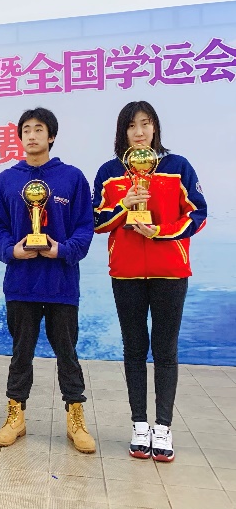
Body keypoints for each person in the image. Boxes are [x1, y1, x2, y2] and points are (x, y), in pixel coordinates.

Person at [93, 101, 207, 462]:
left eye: (145, 123)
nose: (139, 131)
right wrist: (124, 205)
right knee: (133, 347)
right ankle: (139, 424)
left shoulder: (178, 167)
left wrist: (161, 231)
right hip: (125, 272)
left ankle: (163, 426)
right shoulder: (109, 172)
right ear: (122, 132)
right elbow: (96, 221)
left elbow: (198, 213)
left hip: (170, 271)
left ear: (155, 127)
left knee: (165, 349)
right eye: (131, 126)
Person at [0, 107, 96, 453]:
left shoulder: (72, 178)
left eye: (39, 129)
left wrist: (62, 250)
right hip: (21, 282)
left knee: (67, 353)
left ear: (51, 136)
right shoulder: (6, 180)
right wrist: (11, 250)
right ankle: (15, 416)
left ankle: (75, 418)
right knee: (20, 353)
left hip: (61, 283)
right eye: (26, 130)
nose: (32, 135)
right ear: (20, 137)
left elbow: (85, 227)